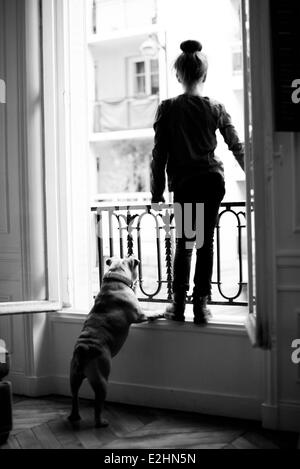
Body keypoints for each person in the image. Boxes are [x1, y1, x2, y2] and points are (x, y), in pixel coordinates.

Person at [150, 39, 245, 325]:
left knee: (186, 242)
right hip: (211, 182)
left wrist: (156, 192)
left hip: (186, 183)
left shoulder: (167, 109)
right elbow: (236, 146)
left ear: (179, 75)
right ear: (204, 75)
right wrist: (253, 181)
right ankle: (201, 306)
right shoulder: (216, 107)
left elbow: (159, 155)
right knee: (206, 242)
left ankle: (178, 304)